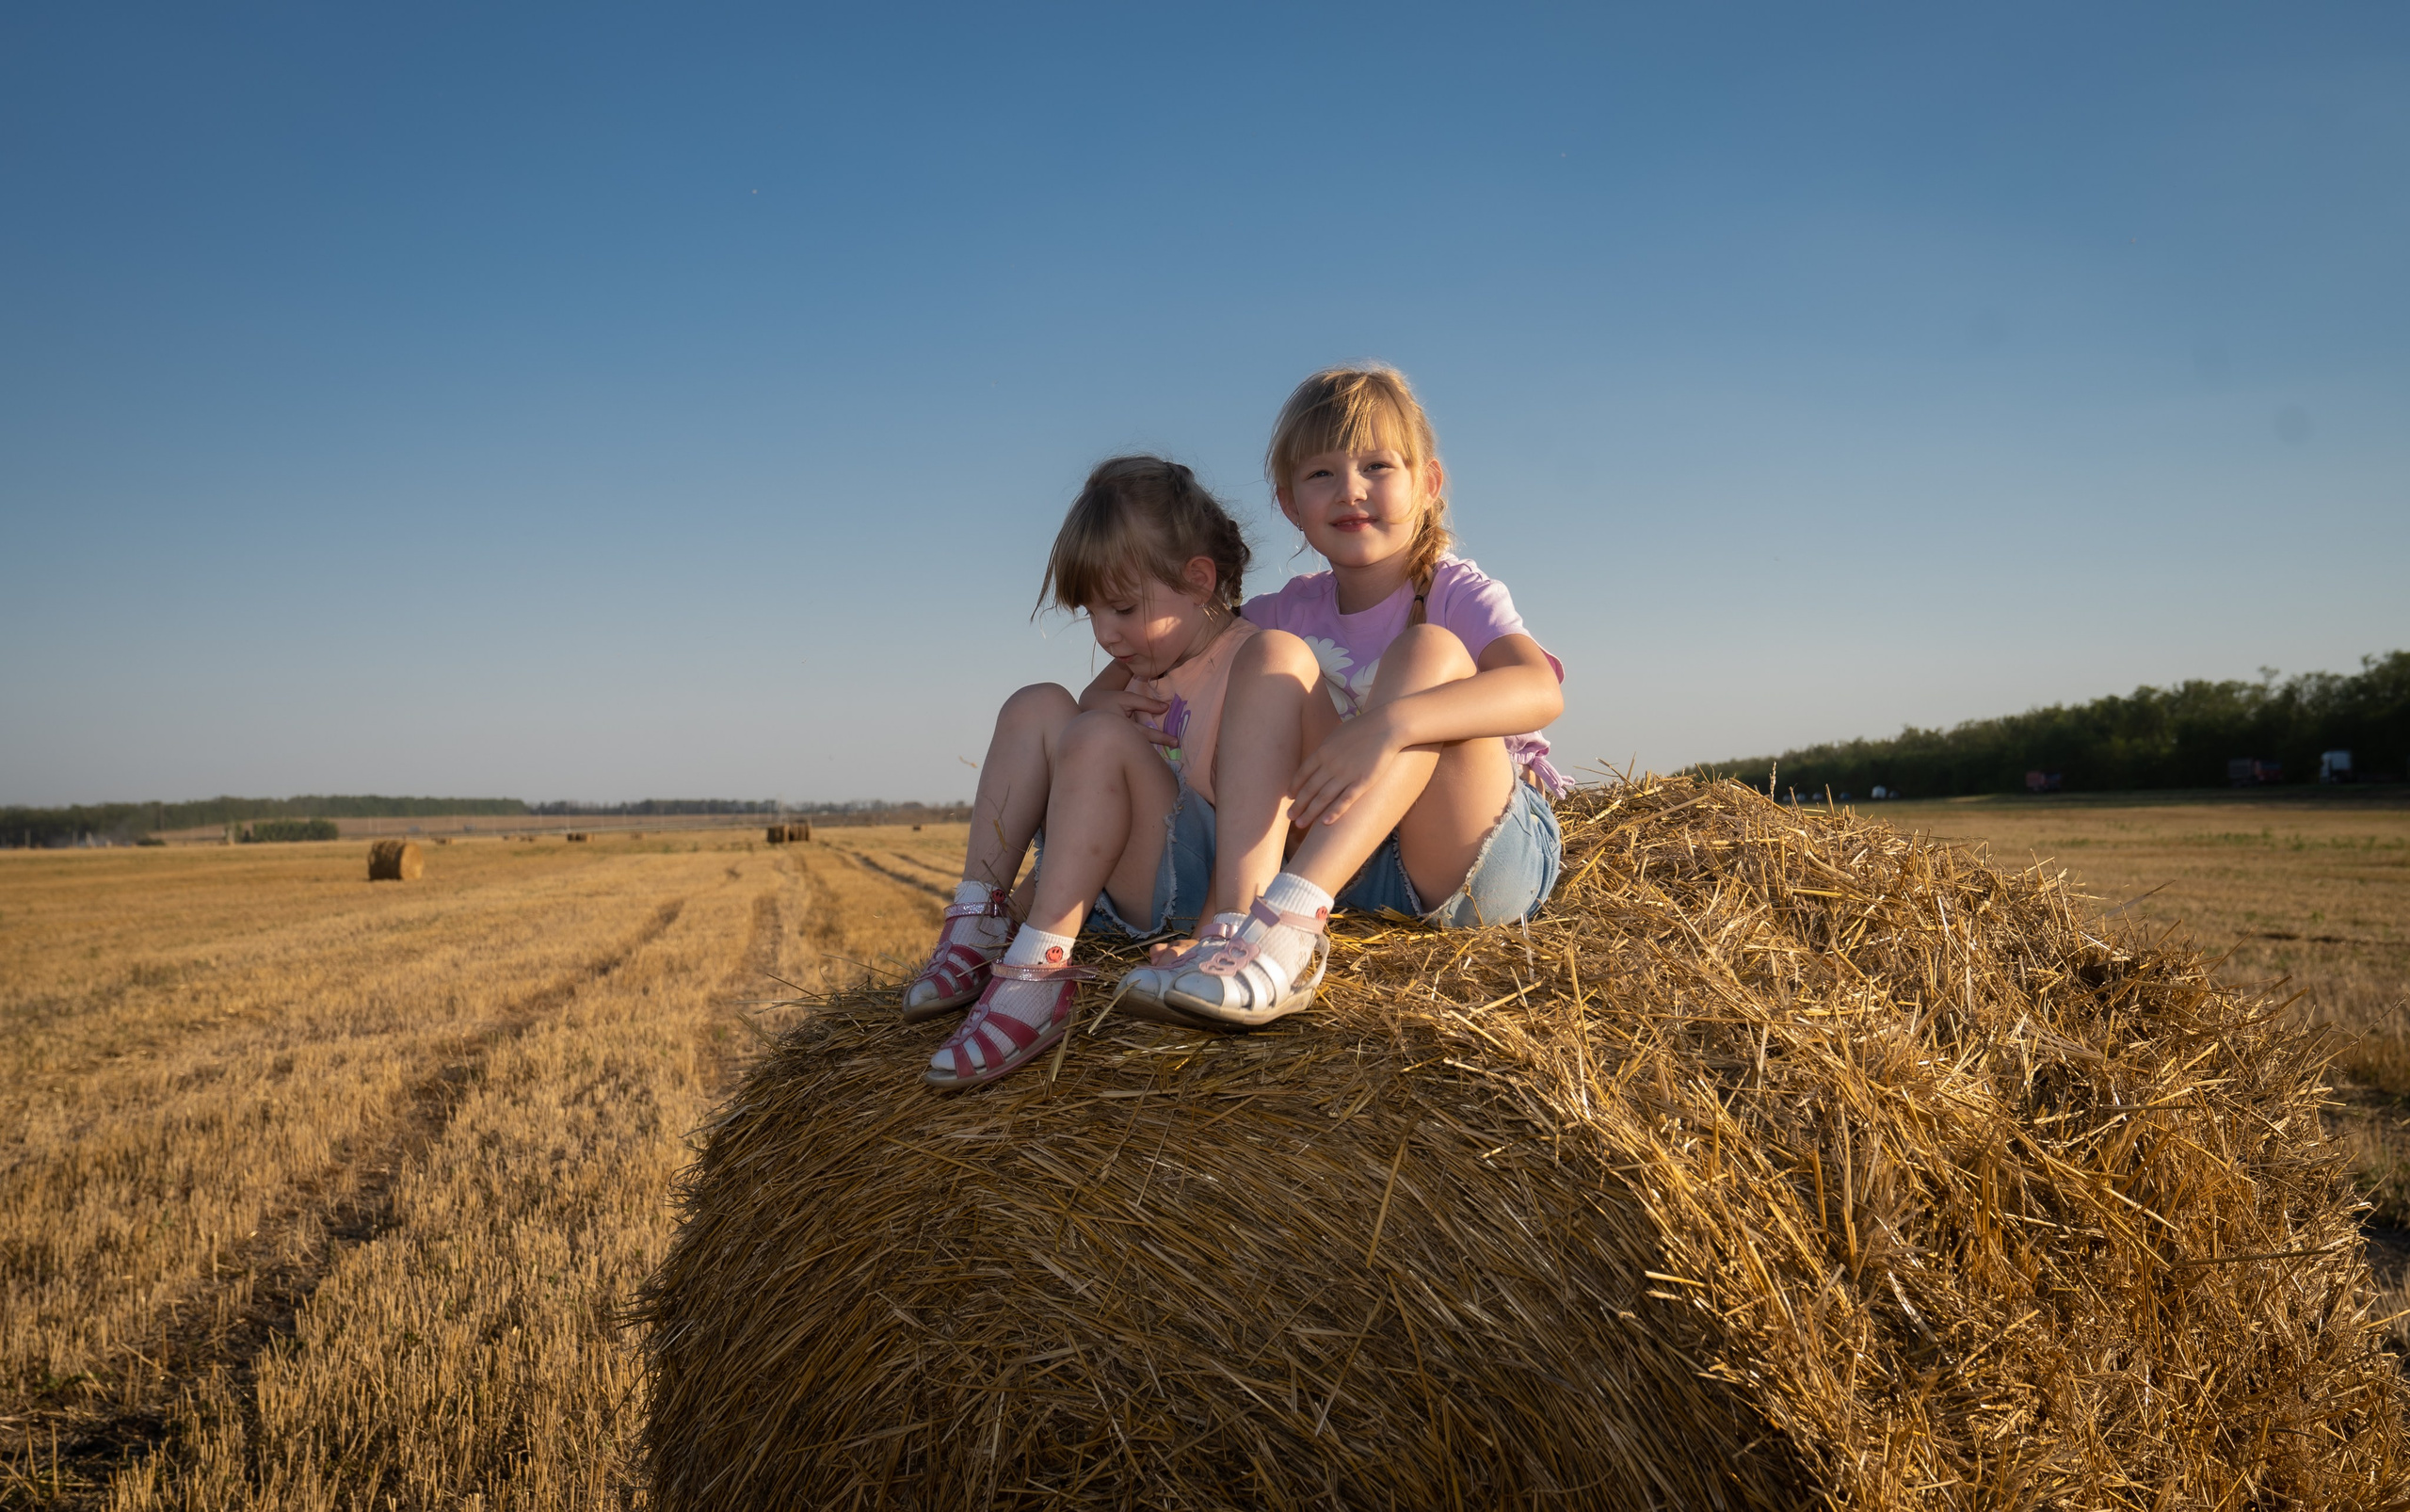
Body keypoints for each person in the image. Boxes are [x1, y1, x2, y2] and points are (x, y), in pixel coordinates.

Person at [1117, 365, 1567, 1028]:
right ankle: (1234, 928)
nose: (1351, 491)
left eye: (1378, 466)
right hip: (1356, 877)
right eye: (1322, 474)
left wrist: (1389, 726)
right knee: (1268, 659)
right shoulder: (1282, 613)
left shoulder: (1453, 589)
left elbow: (1538, 689)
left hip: (1468, 859)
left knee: (1430, 651)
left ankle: (1287, 927)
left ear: (1428, 483)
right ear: (1291, 504)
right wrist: (1109, 702)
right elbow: (1171, 648)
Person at [907, 456, 1258, 1089]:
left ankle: (1038, 972)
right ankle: (981, 916)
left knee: (1094, 735)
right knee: (1035, 703)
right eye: (1091, 614)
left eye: (1122, 608)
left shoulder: (1251, 660)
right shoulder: (1140, 660)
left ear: (1200, 581)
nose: (1106, 634)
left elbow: (1250, 815)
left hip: (1188, 884)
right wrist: (1103, 708)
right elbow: (1085, 715)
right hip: (1125, 865)